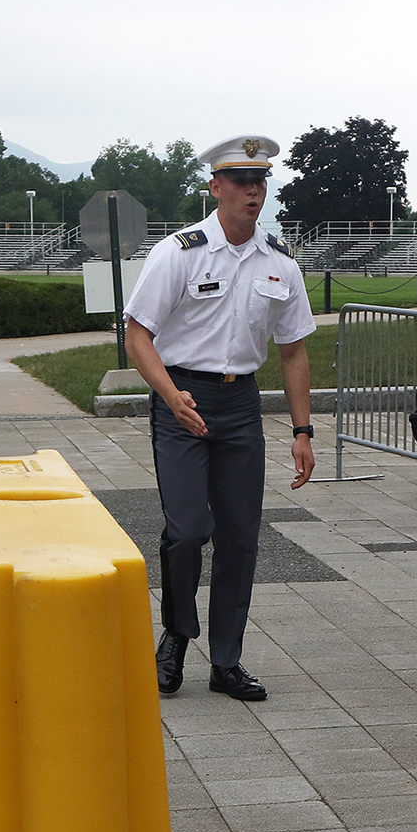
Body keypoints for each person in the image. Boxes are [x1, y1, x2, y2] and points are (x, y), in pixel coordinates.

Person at [126, 135, 316, 703]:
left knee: (240, 537)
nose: (252, 191)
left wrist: (303, 431)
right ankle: (178, 635)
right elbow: (138, 335)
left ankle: (227, 661)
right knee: (187, 531)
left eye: (260, 181)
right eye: (239, 181)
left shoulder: (280, 261)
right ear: (215, 187)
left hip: (240, 407)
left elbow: (294, 350)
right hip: (181, 399)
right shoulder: (179, 253)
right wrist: (170, 394)